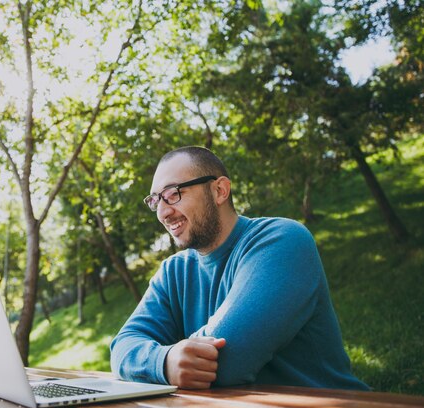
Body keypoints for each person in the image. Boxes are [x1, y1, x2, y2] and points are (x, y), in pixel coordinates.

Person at [110, 146, 369, 390]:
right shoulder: (173, 272)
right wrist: (165, 361)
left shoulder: (283, 240)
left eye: (173, 194)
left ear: (220, 191)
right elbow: (122, 347)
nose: (163, 212)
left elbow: (227, 364)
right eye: (156, 200)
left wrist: (157, 362)